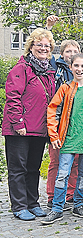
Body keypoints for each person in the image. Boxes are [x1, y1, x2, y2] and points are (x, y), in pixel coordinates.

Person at [41, 54, 83, 224]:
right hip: (68, 140)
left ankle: (79, 204)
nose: (80, 69)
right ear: (71, 67)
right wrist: (53, 135)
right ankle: (57, 208)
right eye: (76, 65)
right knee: (62, 174)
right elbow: (52, 110)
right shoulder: (65, 88)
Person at [3, 28, 56, 221]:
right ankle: (19, 205)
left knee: (33, 167)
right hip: (20, 128)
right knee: (18, 169)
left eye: (47, 45)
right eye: (39, 45)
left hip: (39, 129)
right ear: (31, 46)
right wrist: (18, 122)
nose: (43, 48)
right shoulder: (21, 68)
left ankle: (33, 203)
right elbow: (13, 97)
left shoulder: (47, 71)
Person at [46, 39, 82, 207]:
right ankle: (52, 196)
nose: (71, 54)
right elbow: (46, 51)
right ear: (61, 54)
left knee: (75, 161)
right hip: (60, 120)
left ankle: (70, 194)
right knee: (56, 161)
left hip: (76, 123)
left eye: (75, 51)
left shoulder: (82, 71)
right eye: (68, 51)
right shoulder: (55, 67)